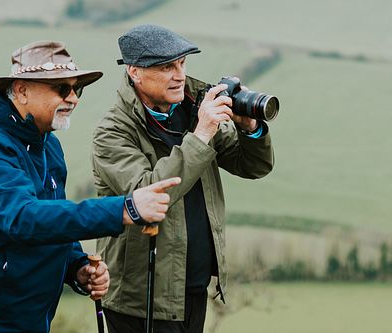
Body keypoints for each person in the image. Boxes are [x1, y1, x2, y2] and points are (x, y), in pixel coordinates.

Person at [0, 40, 181, 333]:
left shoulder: (48, 147)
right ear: (21, 90)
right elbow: (24, 218)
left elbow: (51, 221)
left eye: (77, 89)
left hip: (23, 321)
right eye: (61, 88)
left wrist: (77, 267)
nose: (73, 98)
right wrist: (126, 208)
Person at [92, 24, 275, 333]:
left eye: (182, 64)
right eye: (166, 67)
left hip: (193, 290)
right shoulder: (112, 132)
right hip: (141, 298)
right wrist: (201, 134)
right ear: (135, 72)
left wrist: (249, 128)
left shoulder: (192, 111)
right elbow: (149, 193)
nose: (178, 74)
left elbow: (253, 167)